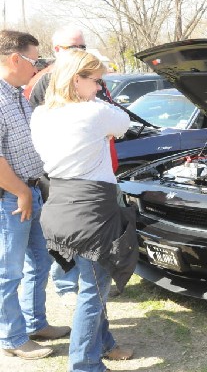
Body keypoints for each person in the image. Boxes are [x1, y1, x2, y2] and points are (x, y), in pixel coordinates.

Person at [30, 49, 137, 371]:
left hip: (58, 206)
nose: (101, 88)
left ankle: (105, 345)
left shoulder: (41, 113)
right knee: (93, 291)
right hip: (90, 211)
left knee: (92, 282)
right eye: (97, 81)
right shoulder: (94, 112)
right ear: (77, 79)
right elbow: (125, 123)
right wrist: (98, 102)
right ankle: (83, 364)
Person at [25, 26, 121, 306]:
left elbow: (110, 119)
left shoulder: (93, 79)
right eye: (71, 47)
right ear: (56, 51)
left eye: (82, 45)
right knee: (70, 238)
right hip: (68, 177)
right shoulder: (47, 82)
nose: (78, 50)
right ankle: (68, 286)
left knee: (95, 240)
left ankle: (93, 287)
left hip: (101, 171)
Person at [0, 29, 71, 360]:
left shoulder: (16, 93)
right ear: (15, 58)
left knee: (39, 260)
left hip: (31, 190)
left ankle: (34, 323)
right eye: (35, 59)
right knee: (8, 271)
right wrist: (21, 193)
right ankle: (12, 337)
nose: (38, 66)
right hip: (11, 200)